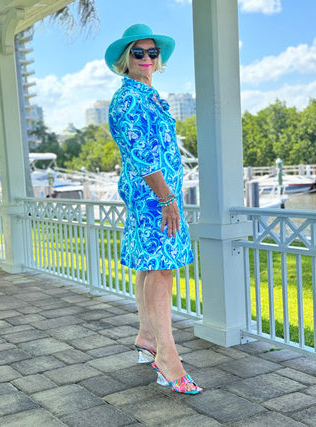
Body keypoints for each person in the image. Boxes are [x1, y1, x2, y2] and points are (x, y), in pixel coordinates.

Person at [105, 24, 202, 394]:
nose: (147, 58)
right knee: (162, 270)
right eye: (138, 53)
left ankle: (147, 336)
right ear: (125, 60)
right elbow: (141, 153)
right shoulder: (128, 99)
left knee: (151, 265)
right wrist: (166, 197)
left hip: (155, 194)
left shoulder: (147, 94)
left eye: (152, 53)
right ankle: (168, 358)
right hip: (153, 197)